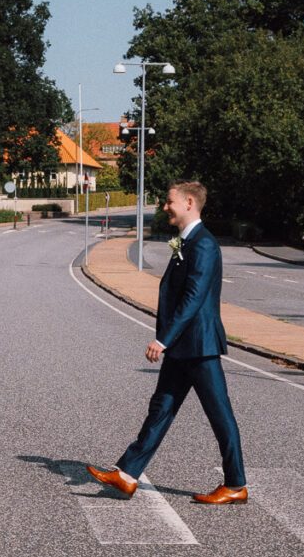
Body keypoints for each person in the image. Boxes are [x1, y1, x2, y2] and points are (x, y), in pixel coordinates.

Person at [87, 180, 247, 504]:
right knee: (160, 409)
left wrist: (162, 339)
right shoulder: (187, 243)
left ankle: (235, 484)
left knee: (220, 414)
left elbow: (193, 298)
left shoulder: (202, 244)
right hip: (183, 347)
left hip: (199, 346)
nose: (164, 207)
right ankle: (128, 474)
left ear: (189, 203)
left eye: (169, 201)